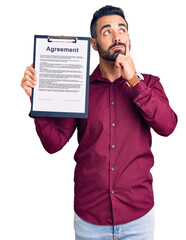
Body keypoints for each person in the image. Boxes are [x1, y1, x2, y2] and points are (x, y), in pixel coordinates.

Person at [21, 5, 177, 240]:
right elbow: (54, 144)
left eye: (122, 30)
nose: (117, 37)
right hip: (90, 220)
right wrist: (38, 101)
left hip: (138, 218)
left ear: (128, 37)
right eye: (107, 32)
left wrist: (134, 81)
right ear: (93, 43)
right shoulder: (78, 88)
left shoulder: (150, 84)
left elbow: (168, 126)